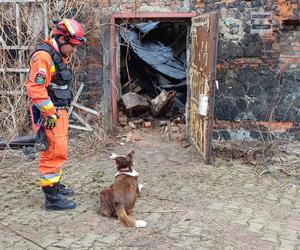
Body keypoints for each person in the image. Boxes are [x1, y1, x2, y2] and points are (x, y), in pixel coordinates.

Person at [26, 19, 86, 210]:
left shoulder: (56, 54)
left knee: (59, 149)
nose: (74, 51)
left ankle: (56, 185)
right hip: (49, 113)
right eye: (72, 46)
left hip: (58, 110)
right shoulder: (43, 57)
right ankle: (52, 198)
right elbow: (35, 88)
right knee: (53, 151)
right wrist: (49, 113)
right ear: (61, 39)